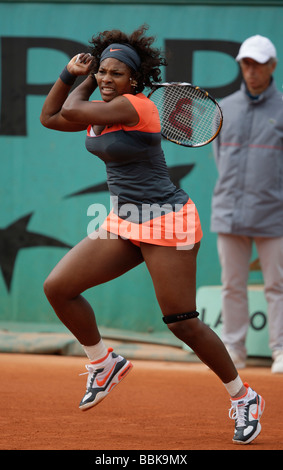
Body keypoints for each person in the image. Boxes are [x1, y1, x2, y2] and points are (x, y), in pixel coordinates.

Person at [40, 25, 264, 444]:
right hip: (123, 221)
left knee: (182, 322)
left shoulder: (135, 107)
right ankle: (103, 362)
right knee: (59, 287)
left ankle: (244, 397)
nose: (106, 79)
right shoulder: (102, 106)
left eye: (115, 73)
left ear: (135, 81)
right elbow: (50, 117)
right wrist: (69, 76)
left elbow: (70, 112)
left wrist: (81, 77)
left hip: (168, 220)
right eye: (102, 72)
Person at [211, 35, 283, 374]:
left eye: (258, 64)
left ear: (273, 66)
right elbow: (219, 160)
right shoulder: (224, 108)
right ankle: (233, 351)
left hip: (275, 216)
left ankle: (281, 350)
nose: (251, 71)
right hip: (229, 213)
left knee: (277, 286)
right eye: (246, 64)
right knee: (231, 285)